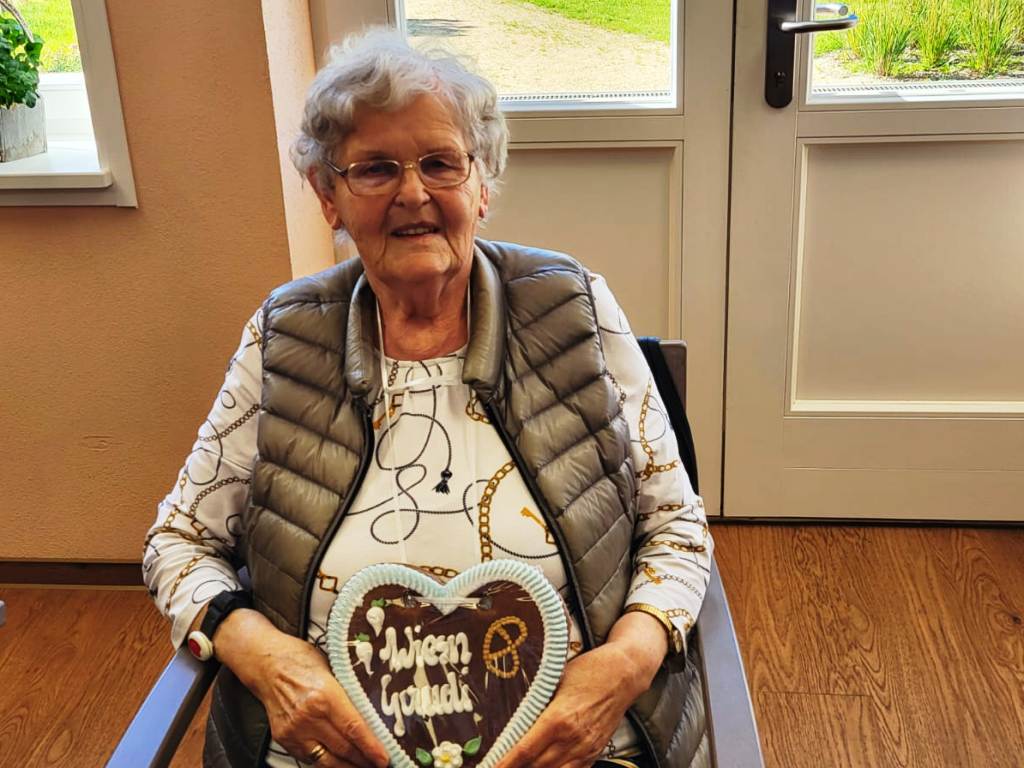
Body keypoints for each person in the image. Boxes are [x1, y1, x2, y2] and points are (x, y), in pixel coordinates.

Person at [143, 28, 712, 768]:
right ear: (328, 197)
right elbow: (179, 541)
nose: (412, 193)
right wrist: (262, 654)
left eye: (440, 163)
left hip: (573, 749)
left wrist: (624, 665)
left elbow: (676, 527)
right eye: (375, 169)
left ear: (482, 184)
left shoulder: (574, 309)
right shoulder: (284, 335)